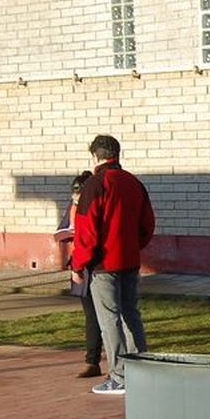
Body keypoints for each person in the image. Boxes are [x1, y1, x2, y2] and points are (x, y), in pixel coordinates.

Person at [72, 135, 156, 396]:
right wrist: (133, 246)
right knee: (131, 314)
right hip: (130, 260)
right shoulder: (134, 183)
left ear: (95, 156)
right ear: (117, 154)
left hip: (103, 264)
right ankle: (143, 367)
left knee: (109, 319)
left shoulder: (95, 185)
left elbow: (86, 232)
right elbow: (147, 224)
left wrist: (78, 265)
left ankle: (119, 376)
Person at [54, 170, 104, 379]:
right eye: (73, 196)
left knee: (110, 316)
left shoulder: (95, 206)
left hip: (98, 266)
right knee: (91, 316)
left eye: (78, 196)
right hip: (80, 266)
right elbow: (60, 231)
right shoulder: (73, 207)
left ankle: (120, 362)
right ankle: (92, 361)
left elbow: (93, 236)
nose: (75, 200)